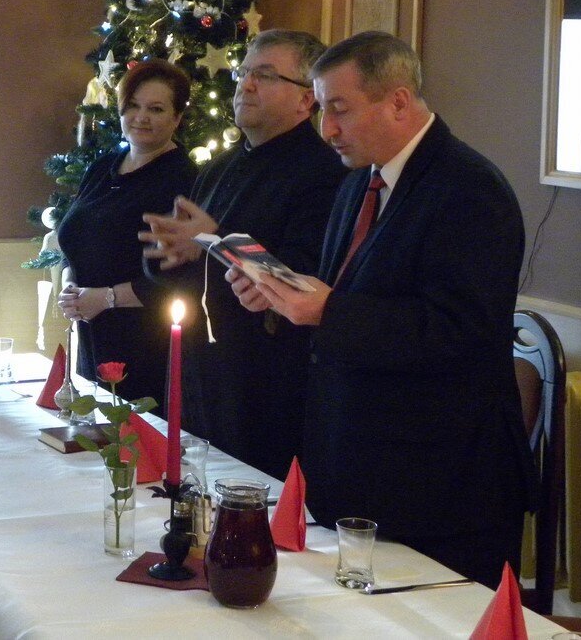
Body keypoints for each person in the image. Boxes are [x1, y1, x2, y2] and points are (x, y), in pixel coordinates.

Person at [228, 31, 535, 588]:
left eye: (339, 109)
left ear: (397, 101)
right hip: (356, 463)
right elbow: (349, 294)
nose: (327, 129)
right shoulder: (359, 183)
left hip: (437, 482)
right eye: (322, 110)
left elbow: (459, 332)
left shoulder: (469, 189)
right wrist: (281, 297)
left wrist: (327, 310)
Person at [137, 31, 345, 478]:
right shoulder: (218, 167)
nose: (245, 85)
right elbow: (185, 271)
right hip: (199, 375)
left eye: (265, 76)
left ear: (306, 98)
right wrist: (167, 252)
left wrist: (211, 240)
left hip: (265, 386)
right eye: (244, 72)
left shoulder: (324, 174)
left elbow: (303, 277)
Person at [56, 59, 197, 408]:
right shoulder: (102, 167)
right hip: (94, 335)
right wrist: (71, 285)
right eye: (133, 105)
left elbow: (178, 277)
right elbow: (76, 239)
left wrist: (105, 298)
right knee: (96, 428)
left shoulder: (183, 179)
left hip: (147, 342)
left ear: (177, 118)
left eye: (156, 109)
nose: (141, 117)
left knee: (133, 433)